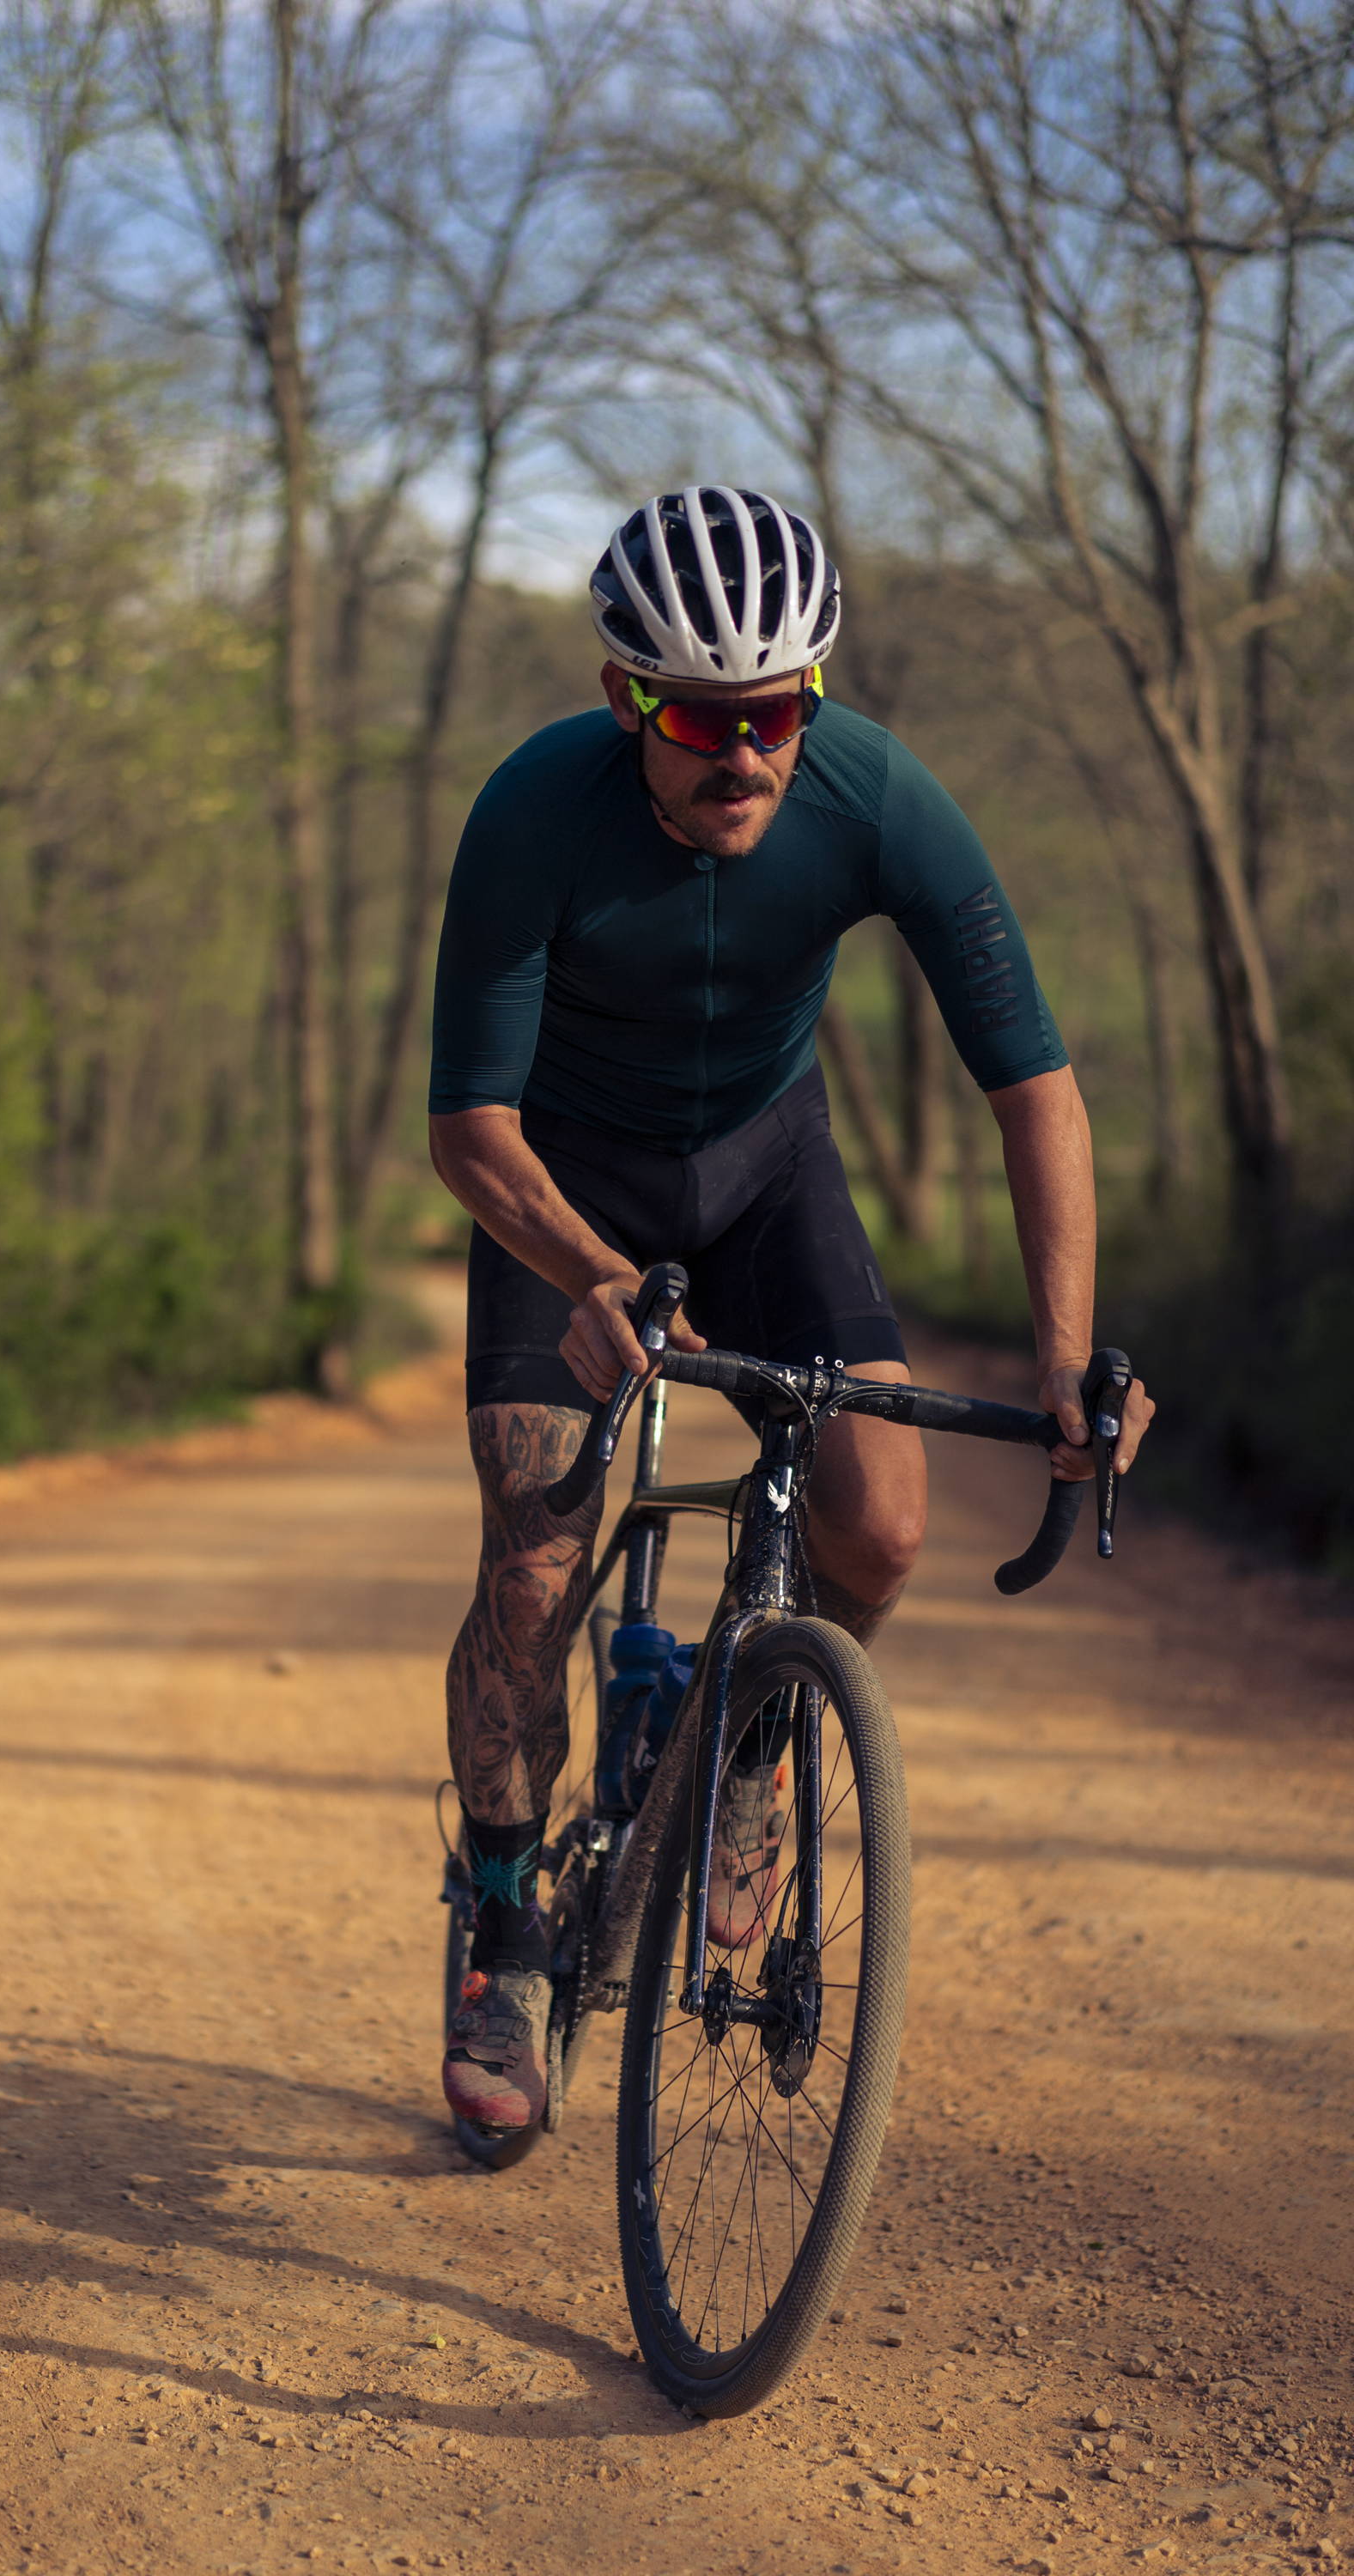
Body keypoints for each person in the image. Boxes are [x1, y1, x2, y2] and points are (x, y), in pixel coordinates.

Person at [426, 486, 1153, 2138]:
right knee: (536, 1559)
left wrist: (1062, 1361)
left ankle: (747, 1757)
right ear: (627, 699)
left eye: (776, 713)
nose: (744, 755)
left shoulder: (878, 794)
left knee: (883, 1532)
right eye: (700, 717)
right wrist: (588, 1277)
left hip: (766, 1171)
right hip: (563, 1197)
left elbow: (1034, 1085)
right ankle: (508, 1925)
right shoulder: (535, 813)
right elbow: (468, 1131)